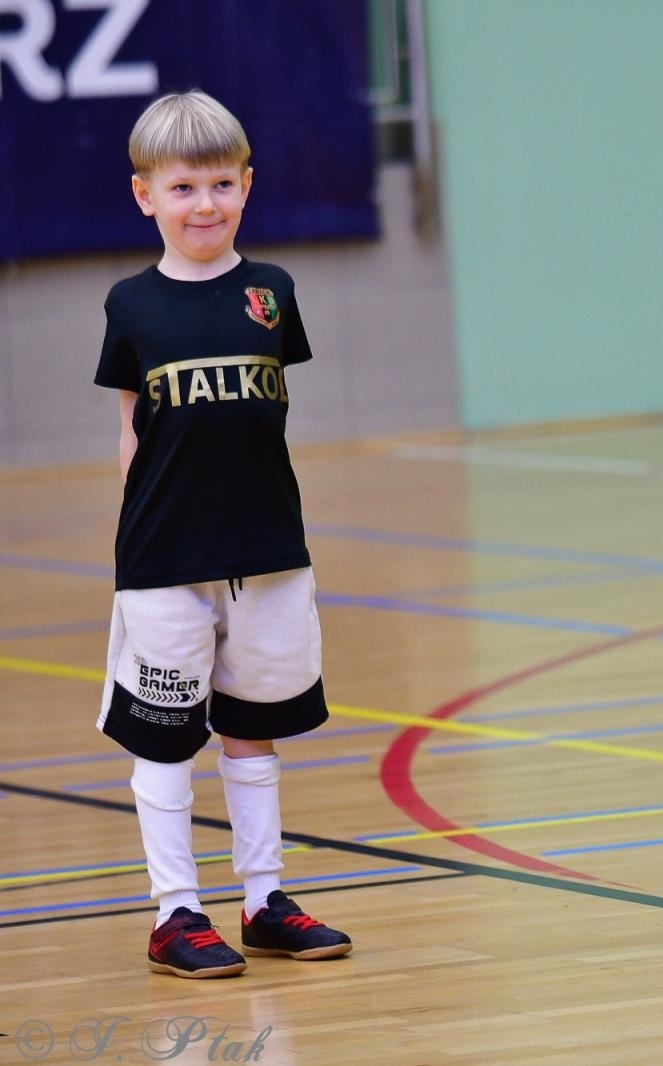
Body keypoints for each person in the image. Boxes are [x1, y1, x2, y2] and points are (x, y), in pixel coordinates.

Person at [94, 90, 352, 978]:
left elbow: (262, 416)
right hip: (165, 558)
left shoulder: (272, 293)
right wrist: (140, 549)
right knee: (165, 737)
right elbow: (133, 432)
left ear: (247, 184)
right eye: (182, 188)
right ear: (145, 195)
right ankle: (175, 913)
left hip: (269, 551)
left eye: (221, 185)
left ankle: (263, 900)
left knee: (252, 729)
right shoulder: (130, 304)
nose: (204, 204)